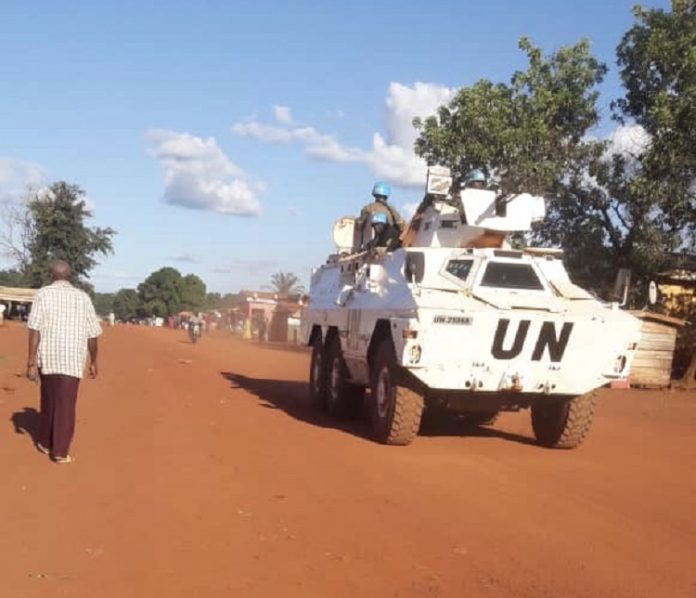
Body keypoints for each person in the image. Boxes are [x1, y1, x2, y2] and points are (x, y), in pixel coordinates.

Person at [26, 260, 102, 464]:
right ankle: (59, 451)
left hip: (48, 357)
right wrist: (93, 360)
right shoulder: (83, 298)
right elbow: (93, 333)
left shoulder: (42, 294)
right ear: (70, 277)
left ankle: (44, 441)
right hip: (72, 359)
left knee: (49, 400)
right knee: (66, 404)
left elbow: (34, 329)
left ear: (52, 276)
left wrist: (31, 362)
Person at [358, 181, 405, 249]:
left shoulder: (367, 208)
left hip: (373, 242)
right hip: (388, 242)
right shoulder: (391, 210)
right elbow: (402, 226)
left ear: (374, 194)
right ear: (387, 195)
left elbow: (359, 225)